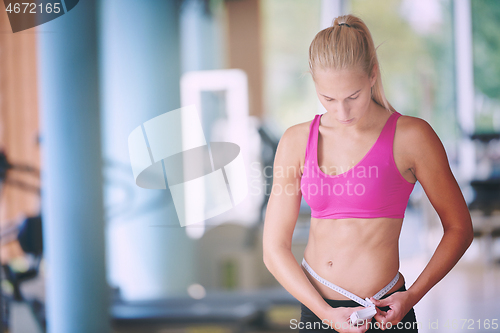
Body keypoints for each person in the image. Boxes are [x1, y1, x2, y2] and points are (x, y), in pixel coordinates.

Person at [262, 14, 473, 333]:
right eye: (328, 98)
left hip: (387, 312)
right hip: (318, 313)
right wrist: (323, 314)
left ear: (372, 75)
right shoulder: (295, 141)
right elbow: (274, 248)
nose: (342, 112)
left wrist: (412, 296)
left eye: (353, 96)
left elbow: (459, 228)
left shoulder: (412, 137)